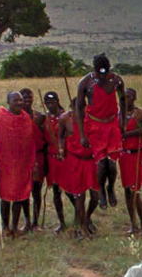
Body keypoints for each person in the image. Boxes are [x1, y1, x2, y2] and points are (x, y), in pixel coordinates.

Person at [73, 54, 125, 209]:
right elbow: (79, 109)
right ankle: (101, 189)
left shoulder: (117, 80)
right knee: (102, 164)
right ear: (94, 70)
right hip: (94, 125)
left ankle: (111, 188)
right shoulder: (86, 82)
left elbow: (123, 101)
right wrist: (82, 134)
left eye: (106, 72)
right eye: (100, 73)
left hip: (112, 124)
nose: (103, 76)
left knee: (112, 164)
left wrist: (121, 123)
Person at [0, 90, 39, 237]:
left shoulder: (25, 118)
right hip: (5, 163)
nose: (19, 103)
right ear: (8, 102)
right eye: (15, 100)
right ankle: (5, 226)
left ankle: (15, 226)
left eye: (20, 100)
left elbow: (30, 141)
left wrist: (32, 162)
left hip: (22, 163)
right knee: (6, 196)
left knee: (19, 195)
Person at [54, 93, 98, 236]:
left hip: (91, 159)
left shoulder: (92, 118)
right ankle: (80, 227)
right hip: (74, 159)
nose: (78, 111)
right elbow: (60, 136)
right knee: (79, 195)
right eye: (75, 108)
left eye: (81, 108)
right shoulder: (65, 118)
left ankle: (87, 217)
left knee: (95, 194)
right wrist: (61, 150)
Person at [118, 87, 142, 237]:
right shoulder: (119, 115)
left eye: (128, 97)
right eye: (123, 97)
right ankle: (133, 224)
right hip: (124, 156)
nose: (126, 100)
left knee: (135, 190)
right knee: (127, 190)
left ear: (134, 98)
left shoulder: (141, 115)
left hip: (137, 155)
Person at [40, 91, 70, 233]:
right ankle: (62, 222)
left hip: (65, 158)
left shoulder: (66, 116)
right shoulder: (45, 118)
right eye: (48, 103)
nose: (51, 105)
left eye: (53, 102)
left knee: (71, 191)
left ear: (58, 101)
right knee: (56, 191)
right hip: (52, 159)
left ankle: (81, 218)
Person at [20, 87, 48, 230]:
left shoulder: (40, 117)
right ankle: (27, 221)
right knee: (24, 191)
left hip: (38, 156)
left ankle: (36, 222)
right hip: (23, 158)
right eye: (24, 98)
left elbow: (46, 138)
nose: (27, 100)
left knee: (36, 191)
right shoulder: (17, 118)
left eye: (30, 98)